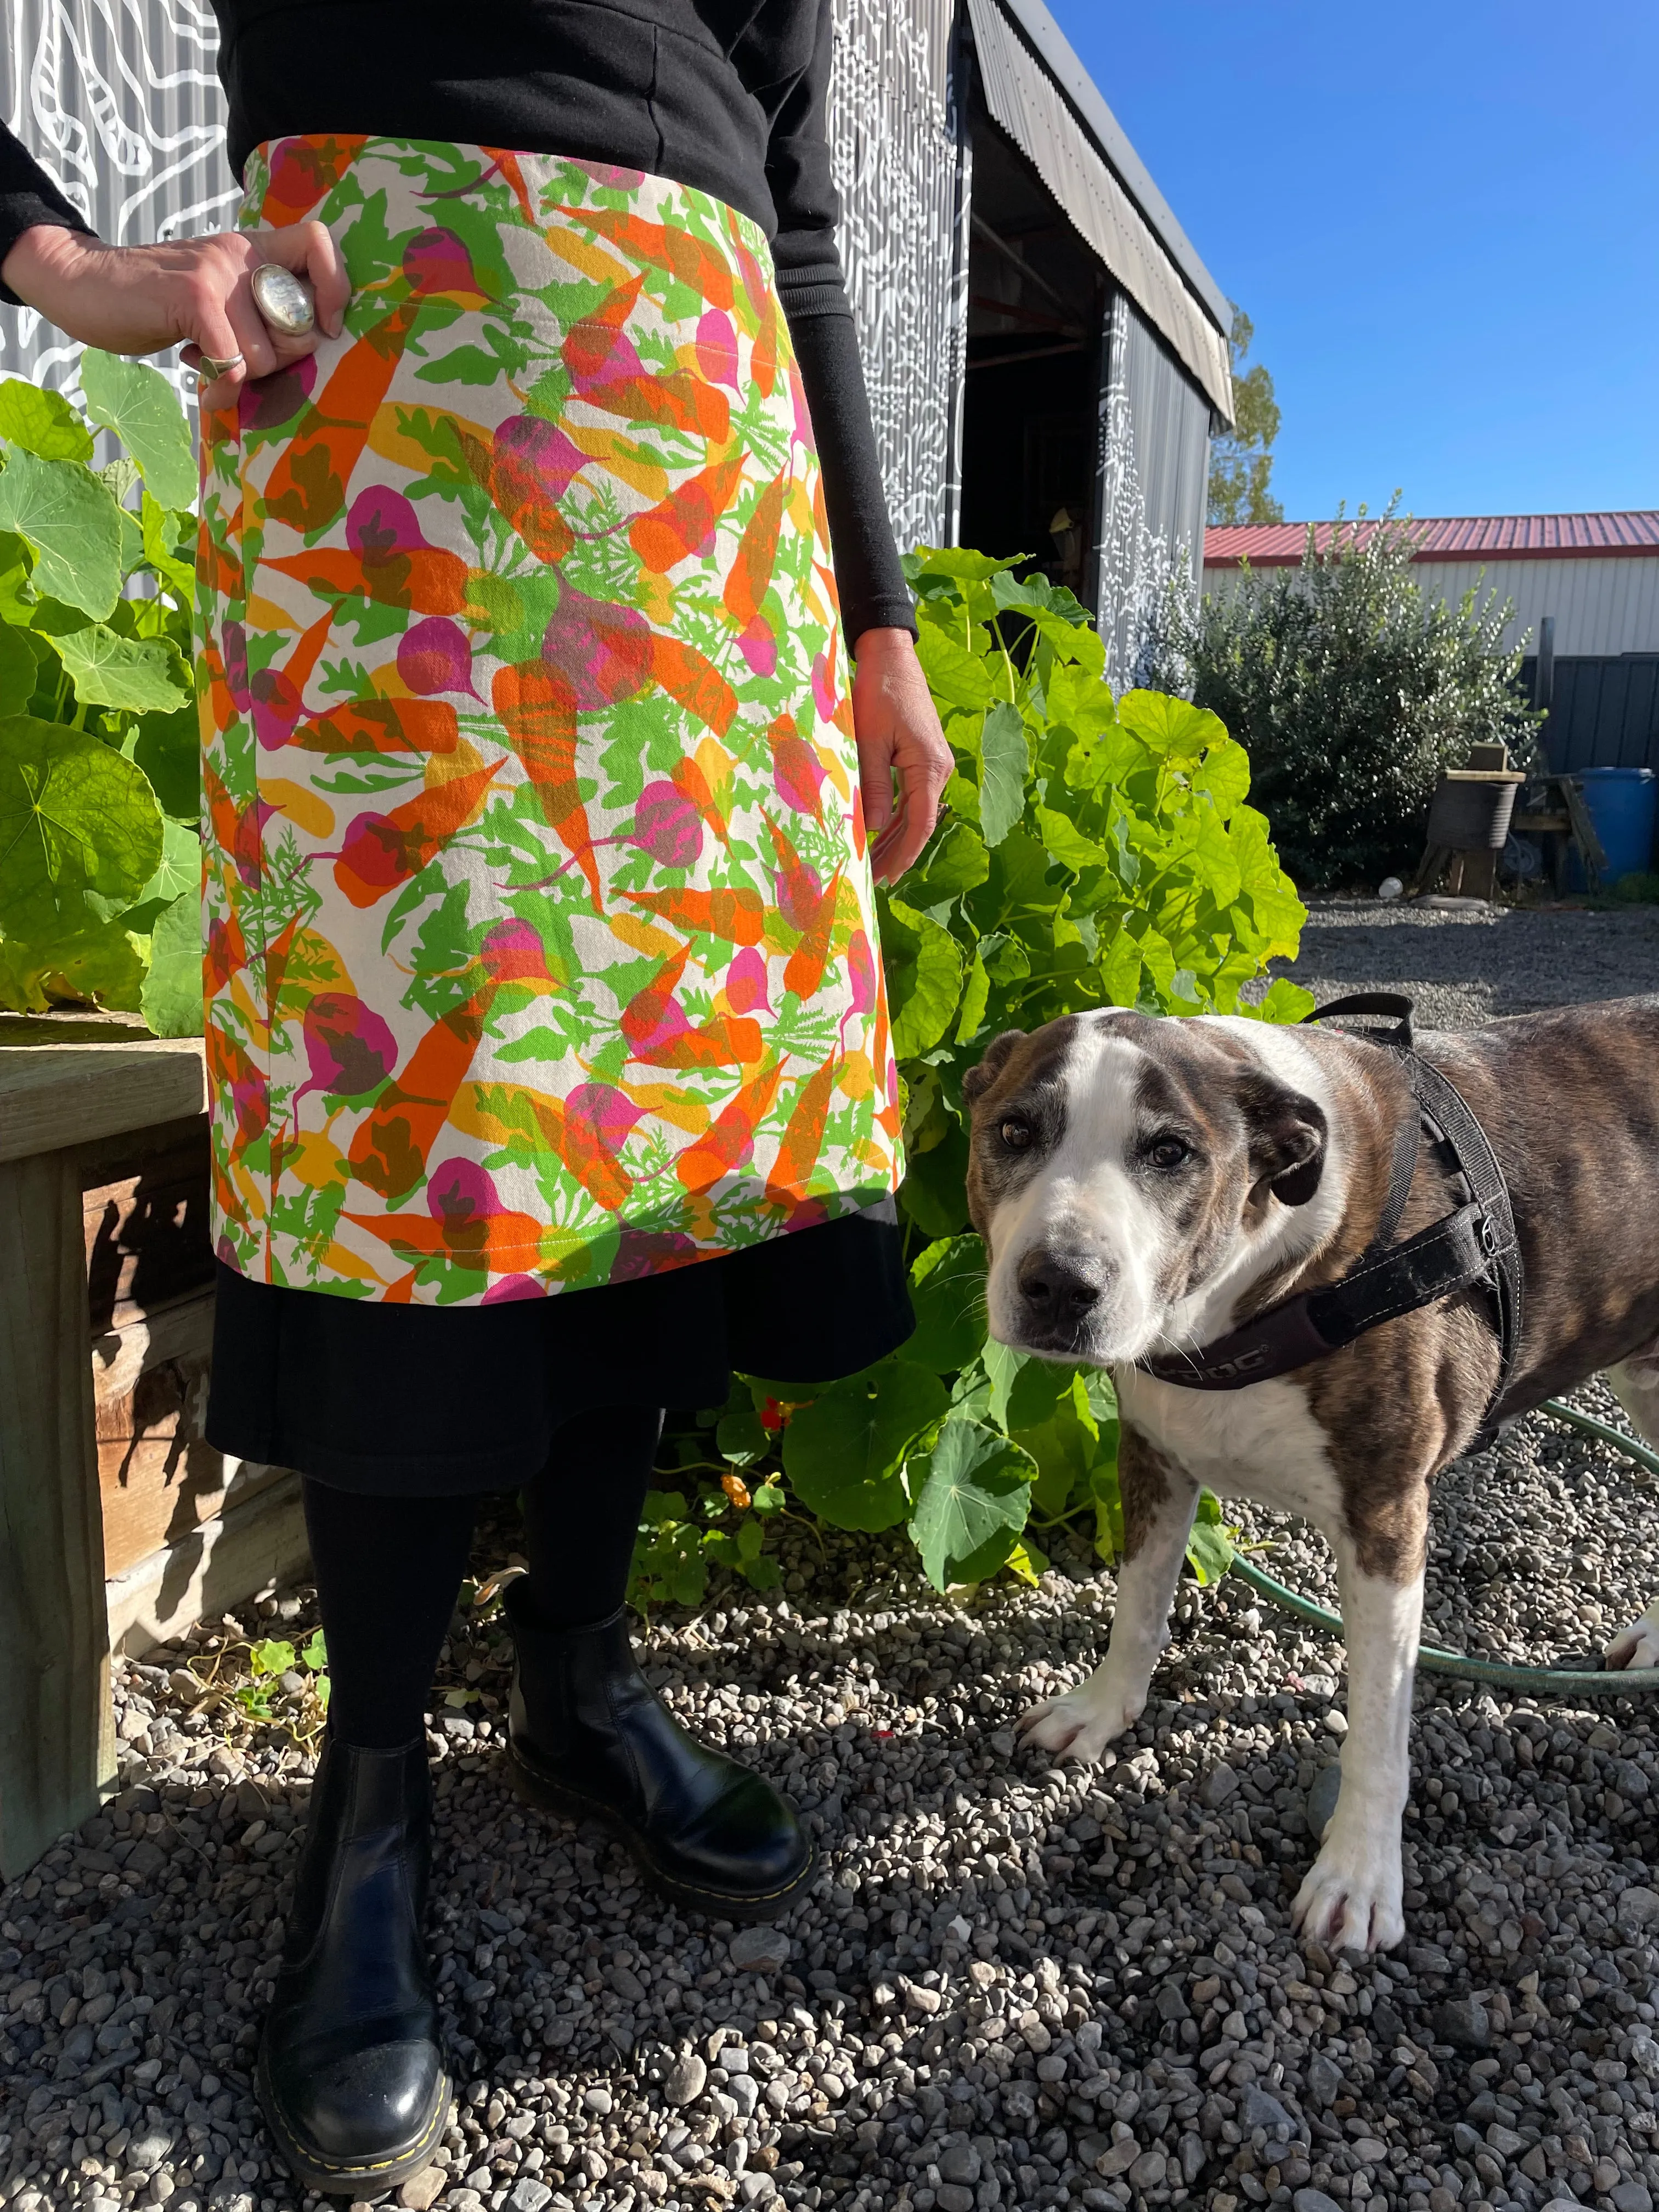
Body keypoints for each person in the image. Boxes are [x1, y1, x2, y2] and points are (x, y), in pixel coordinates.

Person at [0, 12, 951, 2195]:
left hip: (702, 473)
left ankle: (578, 1679)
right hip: (395, 401)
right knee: (416, 1112)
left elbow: (800, 214)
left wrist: (877, 620)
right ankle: (370, 1783)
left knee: (649, 1121)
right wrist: (52, 257)